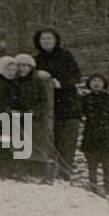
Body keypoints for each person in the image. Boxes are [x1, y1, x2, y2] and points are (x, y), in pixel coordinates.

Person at [33, 27, 82, 180]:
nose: (46, 41)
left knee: (66, 142)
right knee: (48, 141)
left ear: (55, 40)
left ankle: (64, 175)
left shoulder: (65, 56)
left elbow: (76, 76)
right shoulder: (36, 60)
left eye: (49, 38)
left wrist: (61, 83)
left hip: (66, 105)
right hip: (46, 107)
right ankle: (48, 174)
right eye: (43, 39)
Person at [13, 53, 55, 183]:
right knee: (21, 145)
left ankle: (42, 175)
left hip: (37, 119)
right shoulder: (14, 82)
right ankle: (23, 173)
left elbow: (44, 100)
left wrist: (34, 112)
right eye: (19, 65)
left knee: (38, 145)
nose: (22, 68)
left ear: (30, 67)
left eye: (25, 65)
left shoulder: (38, 81)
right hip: (19, 118)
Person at [79, 74, 109, 195]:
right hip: (90, 138)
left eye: (99, 81)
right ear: (89, 84)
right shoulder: (85, 99)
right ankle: (93, 192)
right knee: (91, 168)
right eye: (93, 81)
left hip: (107, 139)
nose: (96, 83)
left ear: (104, 84)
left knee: (107, 169)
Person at [0, 55, 20, 179]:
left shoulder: (12, 83)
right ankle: (0, 172)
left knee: (8, 146)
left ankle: (8, 171)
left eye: (13, 70)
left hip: (9, 119)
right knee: (1, 146)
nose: (11, 73)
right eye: (8, 70)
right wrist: (10, 110)